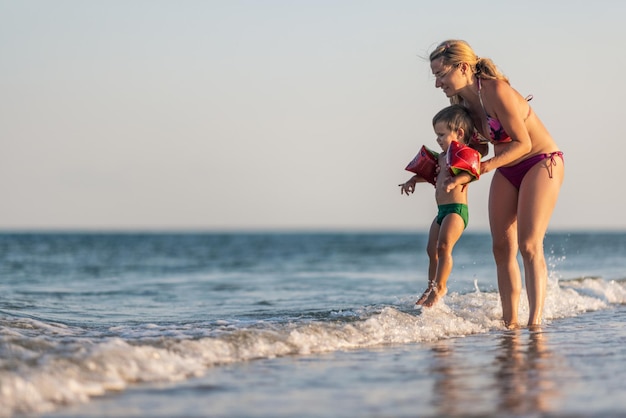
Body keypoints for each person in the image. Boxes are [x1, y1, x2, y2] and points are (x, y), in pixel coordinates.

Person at [428, 39, 564, 328]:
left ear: (462, 67)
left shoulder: (496, 91)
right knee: (501, 249)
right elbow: (478, 150)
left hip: (540, 161)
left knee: (528, 245)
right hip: (507, 168)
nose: (437, 83)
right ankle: (510, 325)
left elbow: (523, 142)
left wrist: (483, 168)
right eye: (435, 76)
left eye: (441, 74)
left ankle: (535, 324)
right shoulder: (460, 104)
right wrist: (444, 169)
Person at [399, 104, 478, 307]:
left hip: (456, 211)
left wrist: (455, 181)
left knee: (444, 247)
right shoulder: (442, 157)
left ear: (459, 133)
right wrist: (412, 181)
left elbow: (470, 173)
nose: (438, 139)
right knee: (431, 250)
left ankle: (441, 287)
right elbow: (430, 175)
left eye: (442, 135)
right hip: (441, 212)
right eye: (436, 135)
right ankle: (431, 285)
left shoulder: (462, 155)